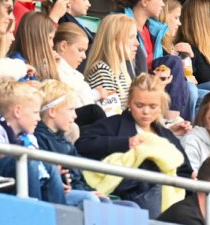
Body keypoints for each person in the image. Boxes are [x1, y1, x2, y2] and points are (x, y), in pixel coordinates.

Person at [76, 74, 193, 216]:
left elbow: (184, 171)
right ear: (129, 103)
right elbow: (81, 144)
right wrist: (124, 143)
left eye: (153, 106)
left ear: (161, 107)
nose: (146, 111)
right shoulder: (113, 124)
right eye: (139, 105)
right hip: (122, 195)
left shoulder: (166, 136)